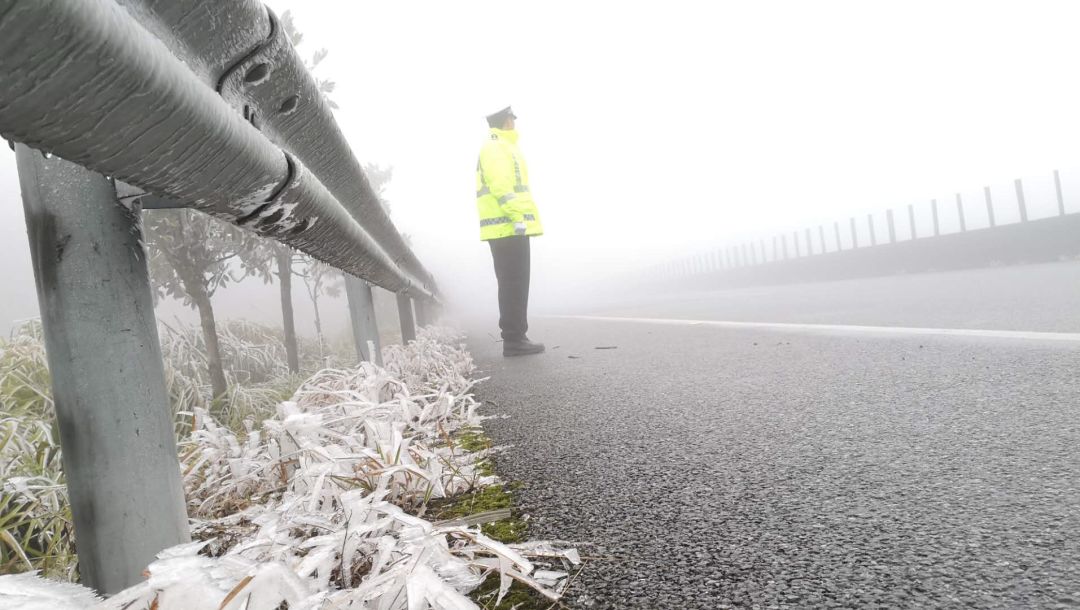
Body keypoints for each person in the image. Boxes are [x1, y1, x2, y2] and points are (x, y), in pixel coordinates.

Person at [476, 105, 545, 356]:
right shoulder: (497, 147)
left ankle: (516, 336)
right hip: (508, 226)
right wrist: (518, 218)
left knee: (513, 282)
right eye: (512, 118)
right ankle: (514, 339)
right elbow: (501, 186)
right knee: (514, 282)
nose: (515, 123)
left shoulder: (501, 146)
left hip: (507, 226)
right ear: (506, 121)